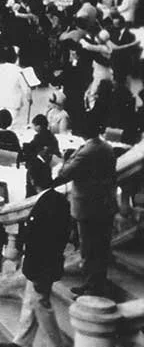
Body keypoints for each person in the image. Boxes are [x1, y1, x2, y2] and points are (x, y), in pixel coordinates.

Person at [0, 166, 72, 347]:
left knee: (41, 305)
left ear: (32, 181)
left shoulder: (48, 203)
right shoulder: (54, 199)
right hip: (41, 264)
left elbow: (46, 242)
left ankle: (58, 346)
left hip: (42, 265)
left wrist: (40, 272)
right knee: (31, 302)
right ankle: (22, 342)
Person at [53, 118, 117, 297]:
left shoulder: (87, 151)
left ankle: (92, 287)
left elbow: (65, 173)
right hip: (104, 205)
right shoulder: (106, 147)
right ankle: (94, 283)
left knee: (89, 249)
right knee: (100, 248)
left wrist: (67, 159)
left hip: (89, 207)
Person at [0, 47, 32, 126]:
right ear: (15, 57)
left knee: (1, 124)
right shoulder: (19, 71)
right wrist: (29, 98)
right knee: (12, 124)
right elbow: (25, 88)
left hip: (0, 102)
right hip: (14, 103)